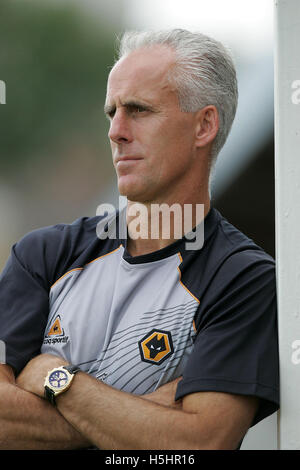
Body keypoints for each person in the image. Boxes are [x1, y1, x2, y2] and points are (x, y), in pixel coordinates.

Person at [0, 29, 279, 450]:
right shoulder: (42, 253)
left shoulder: (245, 279)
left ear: (204, 125)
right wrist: (145, 414)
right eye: (112, 112)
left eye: (138, 110)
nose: (116, 131)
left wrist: (56, 379)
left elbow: (199, 445)